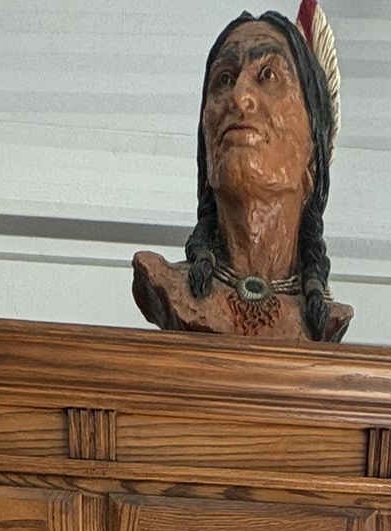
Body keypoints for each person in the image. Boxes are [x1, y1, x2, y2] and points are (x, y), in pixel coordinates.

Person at [132, 10, 351, 342]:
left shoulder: (324, 318)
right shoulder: (163, 283)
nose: (238, 96)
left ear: (313, 159)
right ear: (206, 151)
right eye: (224, 79)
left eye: (267, 74)